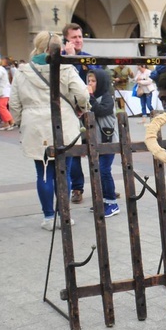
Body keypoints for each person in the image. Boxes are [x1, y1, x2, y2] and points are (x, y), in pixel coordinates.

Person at [9, 31, 90, 231]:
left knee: (44, 172)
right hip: (64, 123)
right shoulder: (65, 67)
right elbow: (82, 93)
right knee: (64, 172)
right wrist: (82, 108)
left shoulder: (22, 71)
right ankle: (64, 214)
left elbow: (14, 104)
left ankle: (47, 217)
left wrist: (22, 122)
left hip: (35, 126)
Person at [62, 22, 95, 204]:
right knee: (73, 152)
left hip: (89, 111)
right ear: (66, 39)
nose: (78, 40)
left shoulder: (89, 58)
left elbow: (98, 80)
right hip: (70, 113)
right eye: (74, 37)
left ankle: (104, 188)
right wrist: (70, 58)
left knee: (96, 150)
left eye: (80, 37)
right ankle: (77, 188)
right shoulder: (62, 59)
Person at [87, 69, 120, 218]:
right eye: (89, 81)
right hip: (95, 140)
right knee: (97, 171)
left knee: (104, 170)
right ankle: (103, 200)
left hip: (108, 140)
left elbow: (100, 111)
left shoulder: (107, 97)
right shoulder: (91, 97)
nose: (90, 84)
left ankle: (112, 203)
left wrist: (90, 97)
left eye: (93, 81)